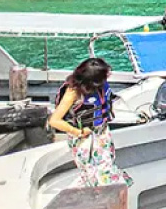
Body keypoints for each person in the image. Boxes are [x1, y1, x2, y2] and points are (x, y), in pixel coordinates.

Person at [49, 58, 133, 188]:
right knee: (91, 170)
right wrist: (78, 132)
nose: (108, 76)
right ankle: (87, 195)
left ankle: (107, 192)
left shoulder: (101, 86)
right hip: (84, 137)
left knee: (106, 165)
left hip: (102, 132)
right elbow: (54, 120)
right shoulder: (73, 92)